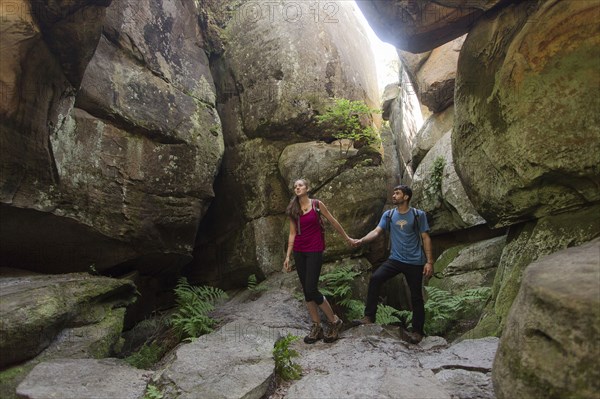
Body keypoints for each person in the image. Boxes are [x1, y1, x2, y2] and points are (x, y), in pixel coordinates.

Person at [351, 185, 434, 344]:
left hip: (415, 261)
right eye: (394, 193)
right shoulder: (388, 215)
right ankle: (369, 317)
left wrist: (429, 262)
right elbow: (377, 232)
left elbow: (425, 238)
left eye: (397, 193)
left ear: (406, 197)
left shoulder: (418, 215)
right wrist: (361, 240)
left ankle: (417, 332)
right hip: (395, 259)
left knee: (416, 296)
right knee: (376, 278)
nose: (394, 195)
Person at [283, 178, 354, 344]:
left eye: (300, 185)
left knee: (311, 288)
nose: (297, 188)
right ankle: (316, 327)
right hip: (299, 251)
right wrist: (288, 256)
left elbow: (333, 221)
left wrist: (347, 238)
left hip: (314, 250)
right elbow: (292, 234)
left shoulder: (316, 204)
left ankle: (334, 322)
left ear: (307, 188)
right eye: (295, 186)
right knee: (307, 291)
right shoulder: (293, 209)